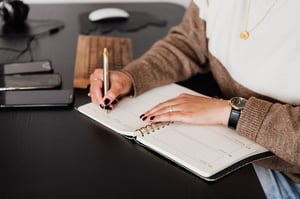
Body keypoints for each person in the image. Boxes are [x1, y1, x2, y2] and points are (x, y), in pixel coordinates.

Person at [88, 0, 300, 198]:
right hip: (234, 146)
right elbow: (189, 42)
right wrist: (131, 76)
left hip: (289, 177)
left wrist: (232, 112)